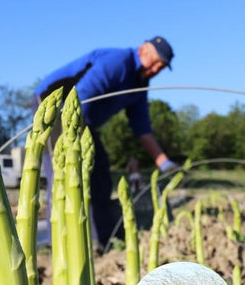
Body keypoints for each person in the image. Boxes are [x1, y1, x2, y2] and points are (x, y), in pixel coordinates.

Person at [34, 36, 177, 250]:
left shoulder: (140, 83)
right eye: (157, 62)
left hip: (84, 121)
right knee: (61, 173)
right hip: (54, 109)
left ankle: (105, 240)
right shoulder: (119, 62)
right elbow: (81, 97)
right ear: (144, 49)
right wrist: (73, 144)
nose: (157, 69)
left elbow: (142, 126)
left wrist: (165, 163)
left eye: (162, 67)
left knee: (100, 172)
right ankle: (61, 245)